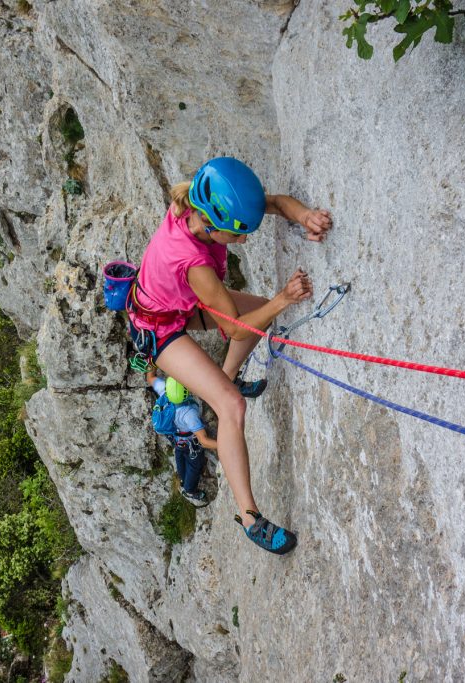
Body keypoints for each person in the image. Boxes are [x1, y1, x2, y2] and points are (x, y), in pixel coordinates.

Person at [127, 156, 332, 555]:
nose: (244, 241)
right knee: (231, 405)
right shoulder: (196, 266)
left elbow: (272, 204)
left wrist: (304, 215)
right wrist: (283, 299)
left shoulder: (201, 207)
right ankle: (251, 518)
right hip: (158, 329)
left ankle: (228, 372)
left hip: (174, 303)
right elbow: (237, 328)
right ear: (214, 225)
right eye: (237, 236)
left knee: (257, 312)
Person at [145, 368, 217, 507]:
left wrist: (151, 363)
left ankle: (184, 481)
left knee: (180, 457)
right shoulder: (188, 413)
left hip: (176, 439)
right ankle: (189, 490)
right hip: (191, 442)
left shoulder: (165, 391)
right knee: (194, 464)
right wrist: (226, 445)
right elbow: (204, 441)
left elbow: (150, 378)